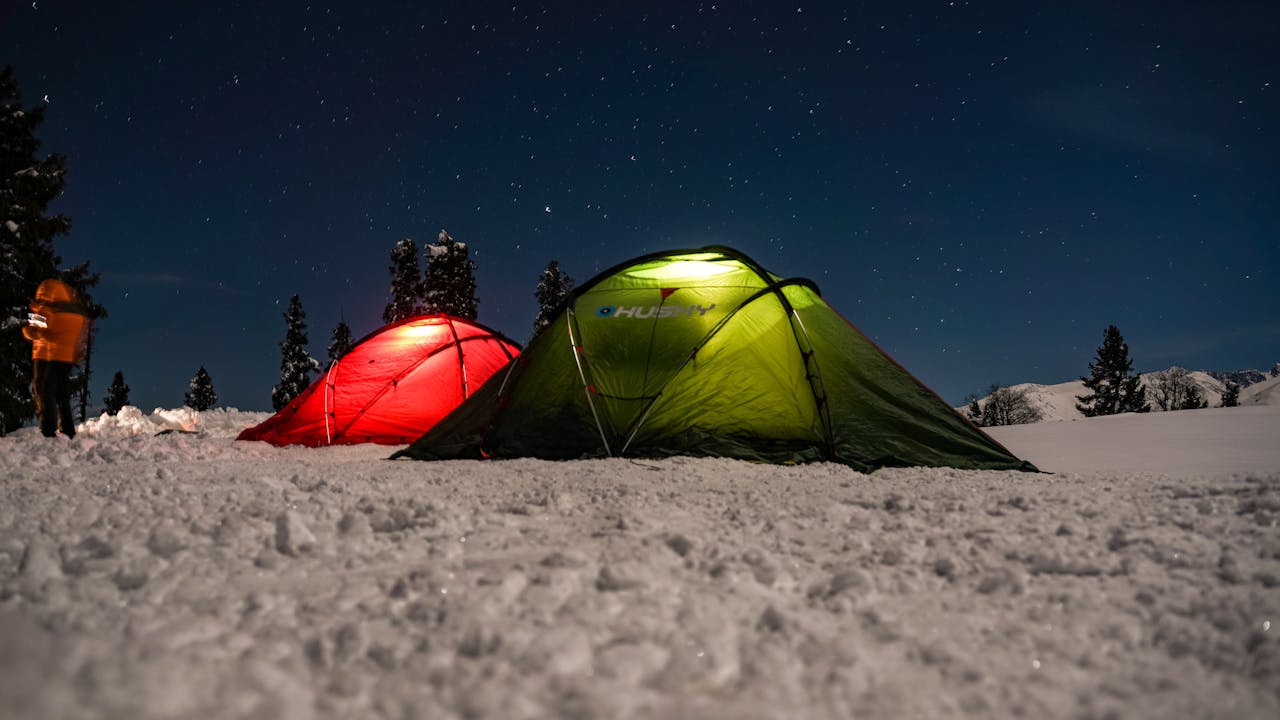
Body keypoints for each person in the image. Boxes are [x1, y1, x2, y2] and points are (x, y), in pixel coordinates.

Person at [22, 278, 90, 438]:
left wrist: (27, 327)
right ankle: (67, 430)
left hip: (47, 356)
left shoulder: (46, 311)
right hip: (66, 358)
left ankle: (48, 430)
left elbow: (35, 331)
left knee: (45, 392)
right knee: (61, 394)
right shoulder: (72, 313)